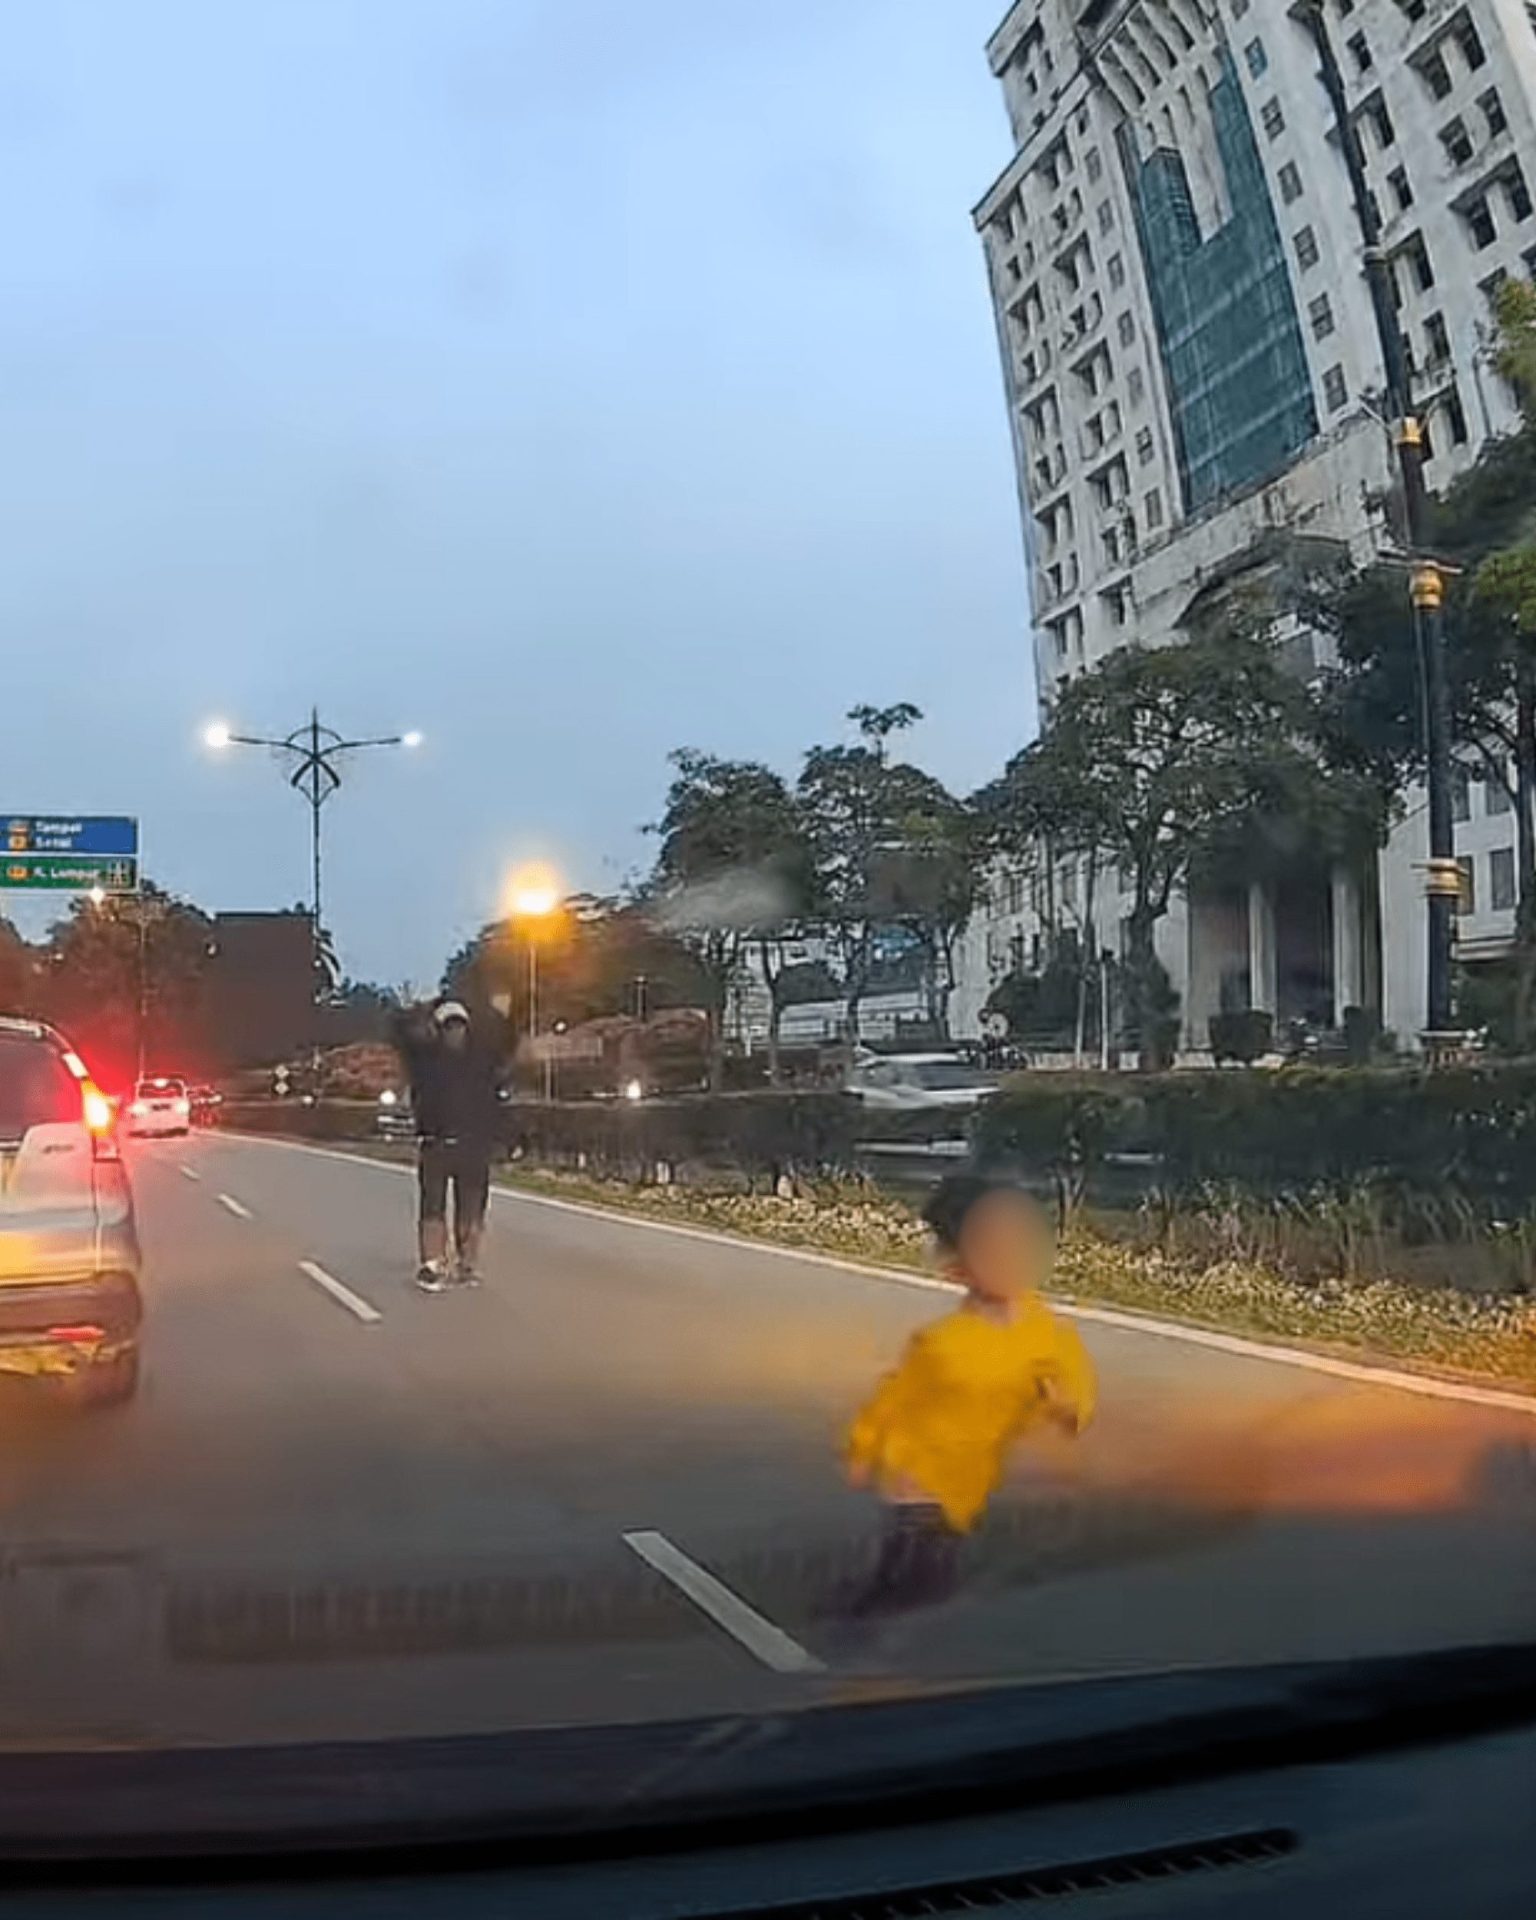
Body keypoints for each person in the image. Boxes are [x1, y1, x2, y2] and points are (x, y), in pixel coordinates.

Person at [842, 1172, 1097, 1618]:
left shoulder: (1049, 1337)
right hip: (917, 1478)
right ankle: (872, 1615)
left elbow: (1077, 1398)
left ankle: (880, 1614)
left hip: (963, 1484)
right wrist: (864, 1448)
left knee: (924, 1579)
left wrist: (1065, 1408)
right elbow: (893, 1397)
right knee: (906, 1573)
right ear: (959, 1265)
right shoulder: (940, 1341)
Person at [392, 999, 506, 1292]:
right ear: (438, 1030)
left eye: (459, 1026)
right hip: (436, 1143)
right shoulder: (425, 1062)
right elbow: (401, 1034)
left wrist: (500, 1138)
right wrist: (422, 1014)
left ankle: (467, 1263)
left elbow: (495, 1099)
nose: (455, 1033)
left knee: (472, 1208)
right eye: (448, 1027)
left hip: (473, 1146)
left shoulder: (481, 1063)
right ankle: (432, 1263)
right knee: (433, 1206)